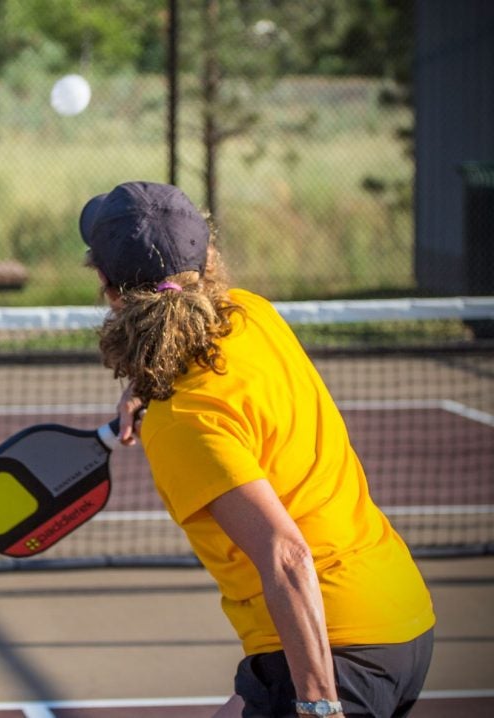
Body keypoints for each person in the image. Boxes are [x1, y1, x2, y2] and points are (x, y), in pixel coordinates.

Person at [80, 181, 435, 717]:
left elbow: (286, 554)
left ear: (108, 287)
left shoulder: (183, 420)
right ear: (206, 257)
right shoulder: (251, 315)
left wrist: (318, 707)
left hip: (336, 652)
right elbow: (196, 351)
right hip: (400, 610)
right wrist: (143, 386)